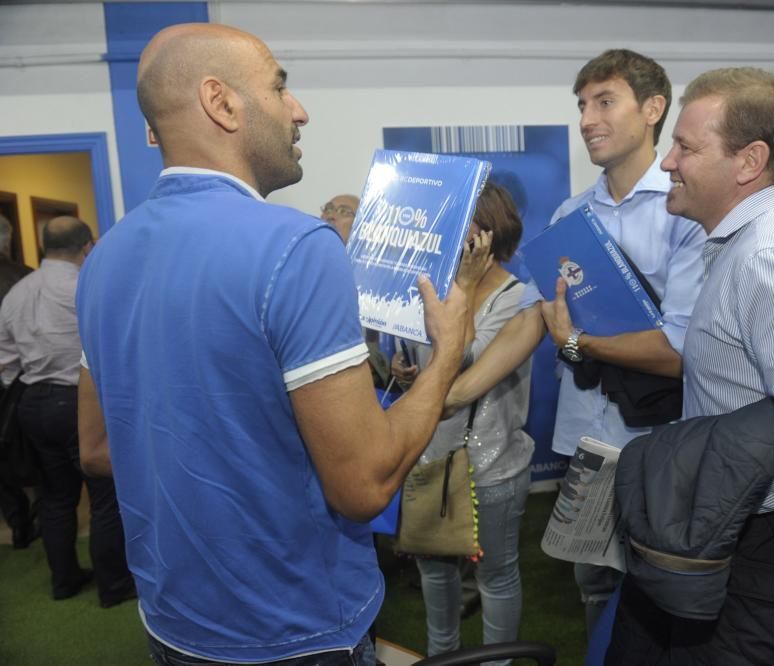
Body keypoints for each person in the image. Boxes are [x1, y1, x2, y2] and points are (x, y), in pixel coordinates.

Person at [75, 23, 466, 665]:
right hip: (295, 632)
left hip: (172, 624)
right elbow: (364, 486)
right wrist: (448, 350)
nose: (299, 109)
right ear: (221, 102)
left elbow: (97, 449)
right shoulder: (297, 247)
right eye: (280, 86)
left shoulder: (103, 260)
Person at [608, 67, 774, 663]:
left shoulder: (773, 258)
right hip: (762, 544)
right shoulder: (748, 246)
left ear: (748, 161)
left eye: (685, 146)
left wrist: (691, 496)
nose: (667, 162)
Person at [445, 49, 705, 634]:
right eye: (582, 104)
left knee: (661, 585)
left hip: (658, 437)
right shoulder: (570, 213)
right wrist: (454, 390)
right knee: (593, 583)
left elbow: (681, 348)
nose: (587, 118)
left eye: (605, 101)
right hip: (587, 434)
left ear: (653, 109)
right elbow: (536, 317)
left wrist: (580, 342)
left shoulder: (683, 210)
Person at [391, 182, 533, 663]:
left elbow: (467, 357)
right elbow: (424, 356)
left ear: (492, 231)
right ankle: (441, 657)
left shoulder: (517, 298)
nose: (456, 238)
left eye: (467, 227)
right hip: (429, 455)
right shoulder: (436, 285)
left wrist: (468, 287)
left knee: (495, 576)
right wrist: (405, 368)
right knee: (434, 571)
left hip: (490, 464)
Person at [0, 216, 134, 605]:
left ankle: (65, 581)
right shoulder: (88, 288)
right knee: (105, 497)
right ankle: (113, 586)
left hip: (33, 403)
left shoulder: (17, 293)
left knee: (55, 495)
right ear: (87, 246)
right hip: (80, 400)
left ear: (43, 245)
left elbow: (5, 359)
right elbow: (115, 348)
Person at [0, 213, 34, 549]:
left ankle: (17, 521)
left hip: (14, 381)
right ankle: (29, 520)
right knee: (28, 455)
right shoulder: (24, 281)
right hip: (19, 383)